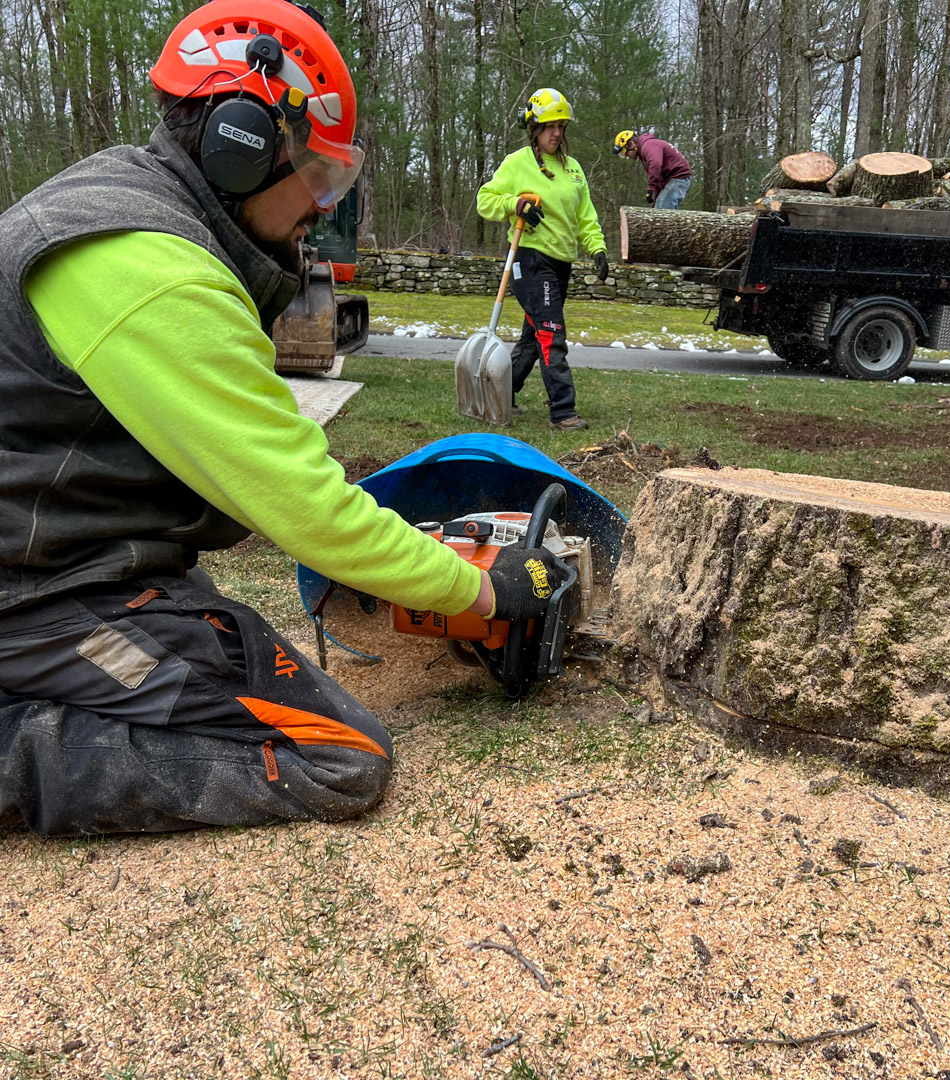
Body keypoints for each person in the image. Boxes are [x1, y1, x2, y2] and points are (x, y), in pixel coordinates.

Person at [0, 0, 564, 837]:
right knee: (335, 755)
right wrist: (482, 590)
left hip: (74, 564)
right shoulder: (149, 267)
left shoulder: (133, 212)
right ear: (243, 145)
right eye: (319, 178)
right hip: (33, 595)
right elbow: (299, 501)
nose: (320, 211)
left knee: (222, 636)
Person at [477, 88, 608, 432]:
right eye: (550, 126)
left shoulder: (573, 169)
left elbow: (586, 217)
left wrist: (596, 248)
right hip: (530, 260)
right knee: (551, 334)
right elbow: (485, 200)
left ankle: (501, 394)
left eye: (561, 126)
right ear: (534, 128)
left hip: (561, 262)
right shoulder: (517, 162)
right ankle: (563, 411)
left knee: (535, 338)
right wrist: (515, 205)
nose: (557, 133)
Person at [613, 130, 692, 210]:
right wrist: (655, 200)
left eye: (627, 153)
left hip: (678, 177)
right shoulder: (647, 147)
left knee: (663, 211)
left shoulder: (648, 146)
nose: (628, 156)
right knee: (658, 208)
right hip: (672, 180)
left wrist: (651, 188)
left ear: (631, 144)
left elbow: (656, 164)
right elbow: (658, 177)